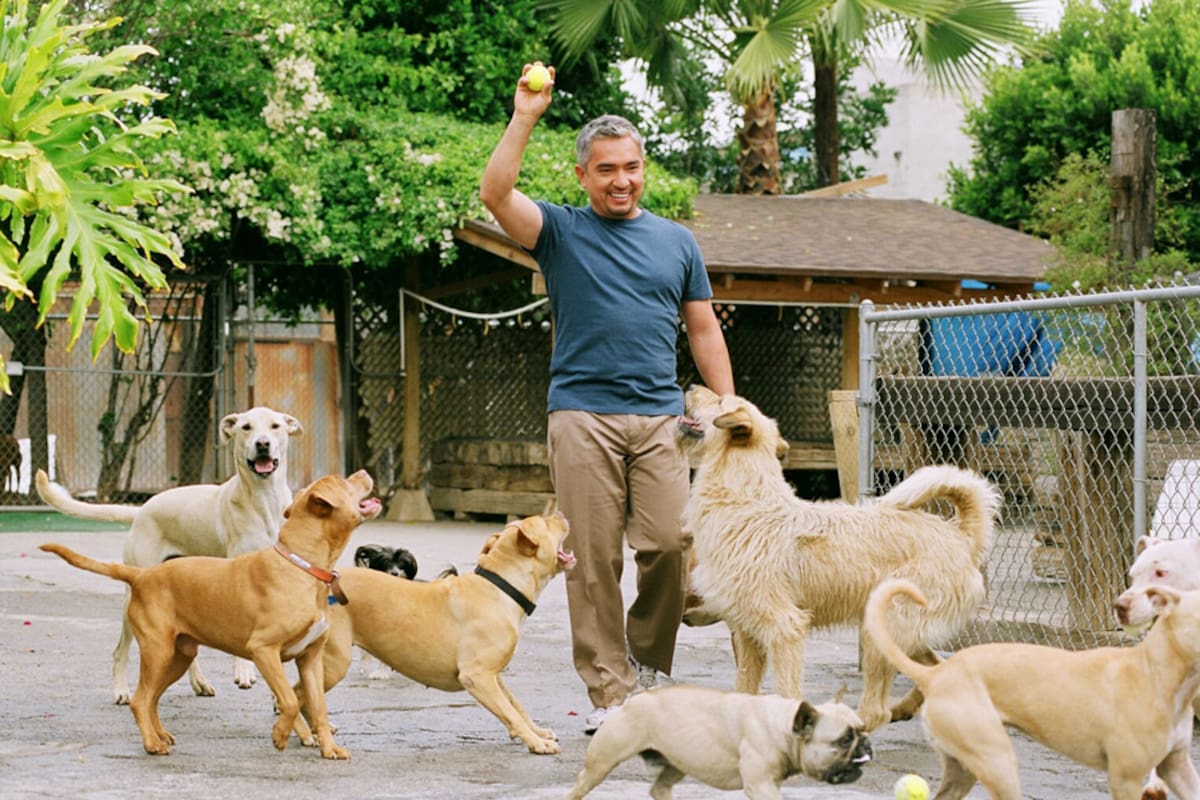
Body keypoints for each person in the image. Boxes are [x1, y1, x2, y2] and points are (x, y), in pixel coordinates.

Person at [479, 62, 735, 734]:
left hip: (661, 418)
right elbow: (495, 192)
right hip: (581, 416)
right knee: (591, 561)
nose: (620, 180)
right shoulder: (559, 232)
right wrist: (526, 116)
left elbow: (703, 328)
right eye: (605, 169)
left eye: (631, 166)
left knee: (671, 547)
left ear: (642, 167)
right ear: (583, 176)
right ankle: (612, 695)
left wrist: (730, 408)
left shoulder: (676, 241)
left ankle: (649, 665)